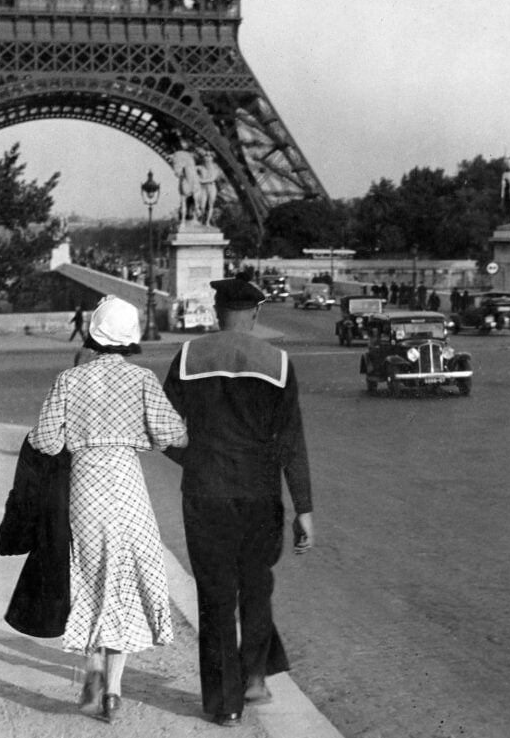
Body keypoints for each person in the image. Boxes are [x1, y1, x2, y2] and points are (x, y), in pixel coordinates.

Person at [27, 295, 188, 723]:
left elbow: (44, 441)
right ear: (130, 339)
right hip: (127, 485)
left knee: (90, 573)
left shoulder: (70, 380)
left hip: (85, 486)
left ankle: (92, 667)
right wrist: (143, 436)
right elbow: (174, 434)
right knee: (127, 578)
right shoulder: (142, 379)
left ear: (94, 334)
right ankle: (114, 691)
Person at [163, 277, 314, 727]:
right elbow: (291, 443)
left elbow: (164, 428)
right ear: (255, 313)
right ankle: (254, 677)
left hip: (205, 492)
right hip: (260, 493)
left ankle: (224, 705)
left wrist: (195, 459)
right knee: (256, 586)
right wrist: (304, 508)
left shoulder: (188, 357)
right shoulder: (279, 363)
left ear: (215, 311)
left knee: (214, 596)